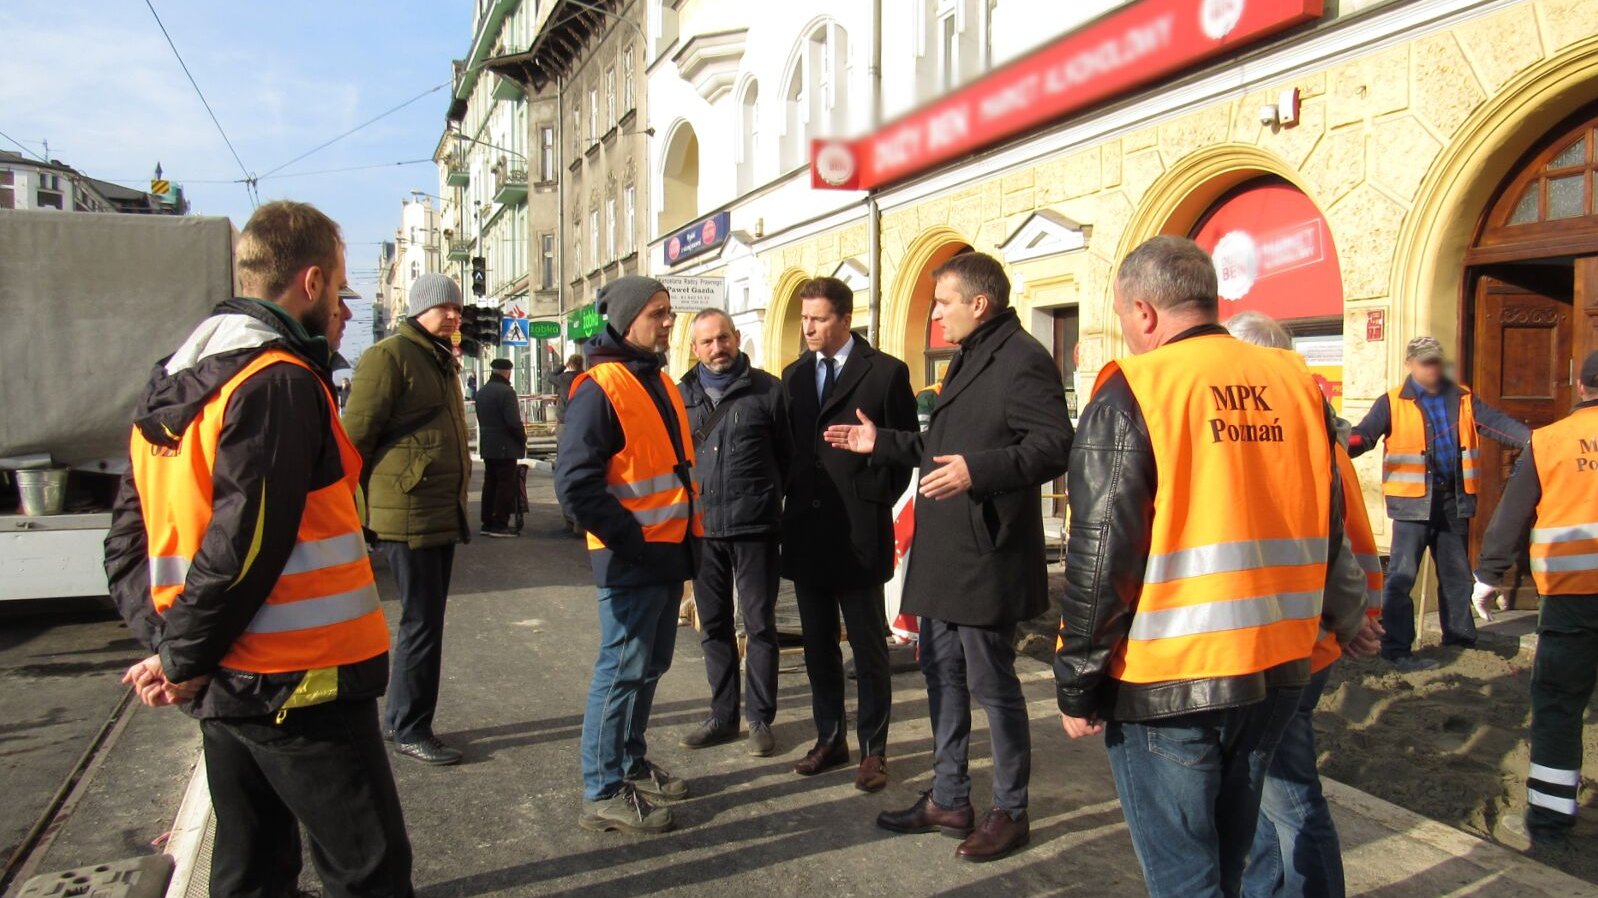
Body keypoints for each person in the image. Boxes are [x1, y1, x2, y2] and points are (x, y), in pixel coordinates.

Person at [104, 200, 413, 898]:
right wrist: (181, 658)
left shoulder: (173, 382)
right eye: (337, 287)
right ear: (310, 283)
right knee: (369, 870)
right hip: (301, 684)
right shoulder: (277, 382)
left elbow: (129, 543)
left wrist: (174, 651)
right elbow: (245, 547)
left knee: (253, 871)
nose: (340, 304)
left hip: (225, 686)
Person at [1056, 236, 1375, 898]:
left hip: (1170, 679)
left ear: (1144, 313)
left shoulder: (1136, 389)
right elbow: (1333, 520)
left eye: (1123, 316)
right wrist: (1346, 618)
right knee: (1228, 865)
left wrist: (1078, 678)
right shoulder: (1295, 385)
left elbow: (1099, 551)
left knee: (1184, 878)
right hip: (1276, 667)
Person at [826, 252, 1073, 861]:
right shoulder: (971, 352)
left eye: (943, 303)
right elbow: (941, 446)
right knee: (942, 677)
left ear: (979, 304)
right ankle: (949, 795)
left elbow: (1053, 446)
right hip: (944, 556)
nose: (935, 316)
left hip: (985, 557)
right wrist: (879, 442)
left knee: (993, 687)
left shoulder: (1022, 359)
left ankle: (1011, 811)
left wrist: (977, 471)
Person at [1226, 311, 1386, 898]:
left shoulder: (1300, 434)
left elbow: (1338, 544)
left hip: (1296, 643)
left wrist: (1356, 618)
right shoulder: (1307, 430)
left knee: (1288, 794)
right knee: (1265, 789)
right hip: (1293, 637)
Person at [555, 276, 701, 834]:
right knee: (620, 670)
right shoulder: (600, 386)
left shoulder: (656, 380)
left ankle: (630, 763)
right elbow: (576, 485)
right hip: (633, 557)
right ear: (626, 318)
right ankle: (603, 788)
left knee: (648, 666)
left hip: (667, 554)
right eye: (657, 313)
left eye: (668, 312)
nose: (668, 321)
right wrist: (632, 540)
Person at [781, 276, 918, 792]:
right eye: (804, 319)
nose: (809, 328)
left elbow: (906, 451)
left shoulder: (885, 373)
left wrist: (870, 490)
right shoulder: (794, 376)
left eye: (818, 319)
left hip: (860, 532)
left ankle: (874, 750)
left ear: (844, 318)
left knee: (867, 647)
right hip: (807, 531)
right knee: (818, 645)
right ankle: (829, 738)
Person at [343, 274, 472, 766]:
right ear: (421, 309)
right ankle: (411, 727)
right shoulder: (391, 356)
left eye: (458, 308)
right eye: (445, 308)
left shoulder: (439, 359)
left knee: (426, 622)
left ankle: (402, 719)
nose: (455, 316)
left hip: (435, 510)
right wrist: (353, 513)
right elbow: (354, 439)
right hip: (407, 512)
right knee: (421, 623)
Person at [1474, 351, 1598, 856]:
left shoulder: (1549, 442)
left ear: (1578, 383)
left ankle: (1548, 822)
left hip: (1572, 596)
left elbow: (1512, 514)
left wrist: (1488, 574)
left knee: (1558, 705)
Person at [1349, 335, 1529, 671]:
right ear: (1410, 365)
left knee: (1456, 574)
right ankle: (1397, 648)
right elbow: (1364, 437)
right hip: (1412, 503)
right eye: (1424, 362)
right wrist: (1338, 442)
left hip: (1453, 501)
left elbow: (1500, 425)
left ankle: (1460, 641)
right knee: (1402, 576)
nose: (1431, 369)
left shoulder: (1461, 398)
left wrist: (1539, 442)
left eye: (1435, 362)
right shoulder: (1392, 402)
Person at [677, 309, 792, 757]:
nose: (716, 348)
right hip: (702, 530)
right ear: (695, 348)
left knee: (760, 625)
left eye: (723, 337)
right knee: (714, 627)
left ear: (737, 337)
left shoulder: (768, 390)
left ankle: (761, 719)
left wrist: (765, 498)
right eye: (706, 342)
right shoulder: (680, 394)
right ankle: (722, 717)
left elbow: (789, 458)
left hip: (755, 528)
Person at [476, 357, 526, 538]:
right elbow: (513, 422)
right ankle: (500, 523)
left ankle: (487, 522)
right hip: (505, 446)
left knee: (490, 483)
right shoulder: (506, 392)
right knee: (505, 484)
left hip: (488, 445)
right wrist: (522, 439)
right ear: (507, 372)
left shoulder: (482, 392)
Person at [553, 353, 586, 426]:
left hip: (564, 417)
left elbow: (551, 377)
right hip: (582, 416)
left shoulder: (564, 378)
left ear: (570, 365)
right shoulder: (586, 377)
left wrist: (563, 366)